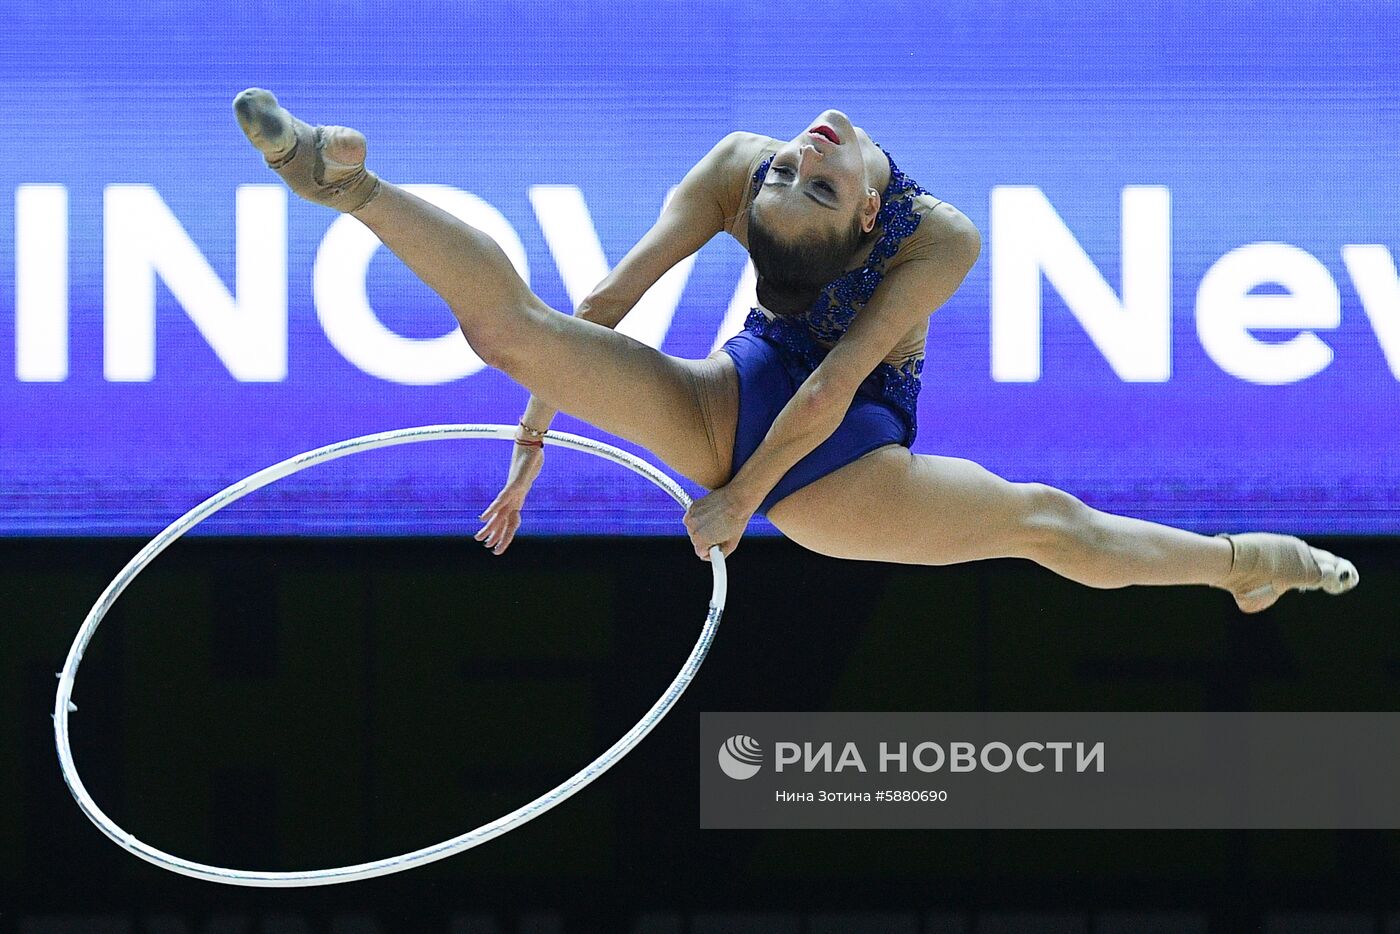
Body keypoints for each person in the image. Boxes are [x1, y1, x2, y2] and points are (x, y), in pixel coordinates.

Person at [232, 88, 1358, 614]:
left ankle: (1240, 562)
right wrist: (533, 437)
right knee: (504, 333)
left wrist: (743, 502)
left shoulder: (937, 238)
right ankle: (351, 187)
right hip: (741, 387)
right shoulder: (739, 165)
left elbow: (834, 384)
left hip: (847, 453)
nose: (802, 155)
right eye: (789, 174)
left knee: (1043, 520)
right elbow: (605, 304)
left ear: (869, 216)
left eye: (815, 180)